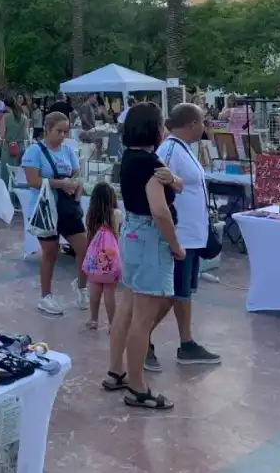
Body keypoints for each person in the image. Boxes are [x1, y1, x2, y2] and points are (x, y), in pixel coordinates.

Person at [104, 101, 183, 411]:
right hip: (151, 237)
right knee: (144, 318)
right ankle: (138, 386)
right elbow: (161, 212)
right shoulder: (150, 164)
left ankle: (116, 371)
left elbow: (171, 186)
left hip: (131, 234)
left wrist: (174, 181)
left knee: (127, 307)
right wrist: (175, 246)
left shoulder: (130, 159)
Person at [151, 103, 221, 369]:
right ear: (192, 124)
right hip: (180, 234)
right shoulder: (169, 150)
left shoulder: (184, 150)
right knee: (172, 293)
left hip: (192, 235)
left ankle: (187, 342)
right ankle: (141, 338)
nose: (205, 126)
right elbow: (160, 189)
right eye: (202, 121)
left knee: (183, 292)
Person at [21, 112, 87, 315]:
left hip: (67, 207)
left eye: (65, 132)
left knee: (84, 247)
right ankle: (46, 295)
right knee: (50, 251)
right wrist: (60, 183)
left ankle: (82, 286)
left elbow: (77, 173)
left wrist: (75, 186)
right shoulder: (35, 151)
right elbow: (33, 180)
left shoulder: (68, 150)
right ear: (47, 129)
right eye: (58, 131)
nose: (62, 135)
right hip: (45, 208)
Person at [82, 182, 122, 331]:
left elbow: (90, 235)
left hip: (95, 256)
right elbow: (116, 234)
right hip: (110, 257)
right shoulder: (116, 213)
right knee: (109, 291)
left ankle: (93, 320)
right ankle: (113, 324)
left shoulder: (92, 214)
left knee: (94, 288)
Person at [3, 98, 29, 166]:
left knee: (8, 171)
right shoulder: (24, 117)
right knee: (19, 170)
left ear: (5, 105)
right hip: (21, 147)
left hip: (9, 148)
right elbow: (26, 132)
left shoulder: (5, 117)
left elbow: (2, 135)